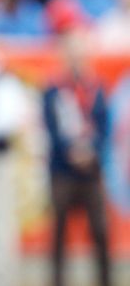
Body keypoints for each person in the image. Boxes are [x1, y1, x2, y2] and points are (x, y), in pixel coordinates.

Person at [42, 23, 110, 286]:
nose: (75, 58)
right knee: (58, 233)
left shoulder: (95, 87)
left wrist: (90, 152)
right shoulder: (53, 88)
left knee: (100, 232)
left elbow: (104, 125)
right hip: (62, 170)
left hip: (91, 171)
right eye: (71, 52)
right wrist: (70, 152)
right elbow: (50, 127)